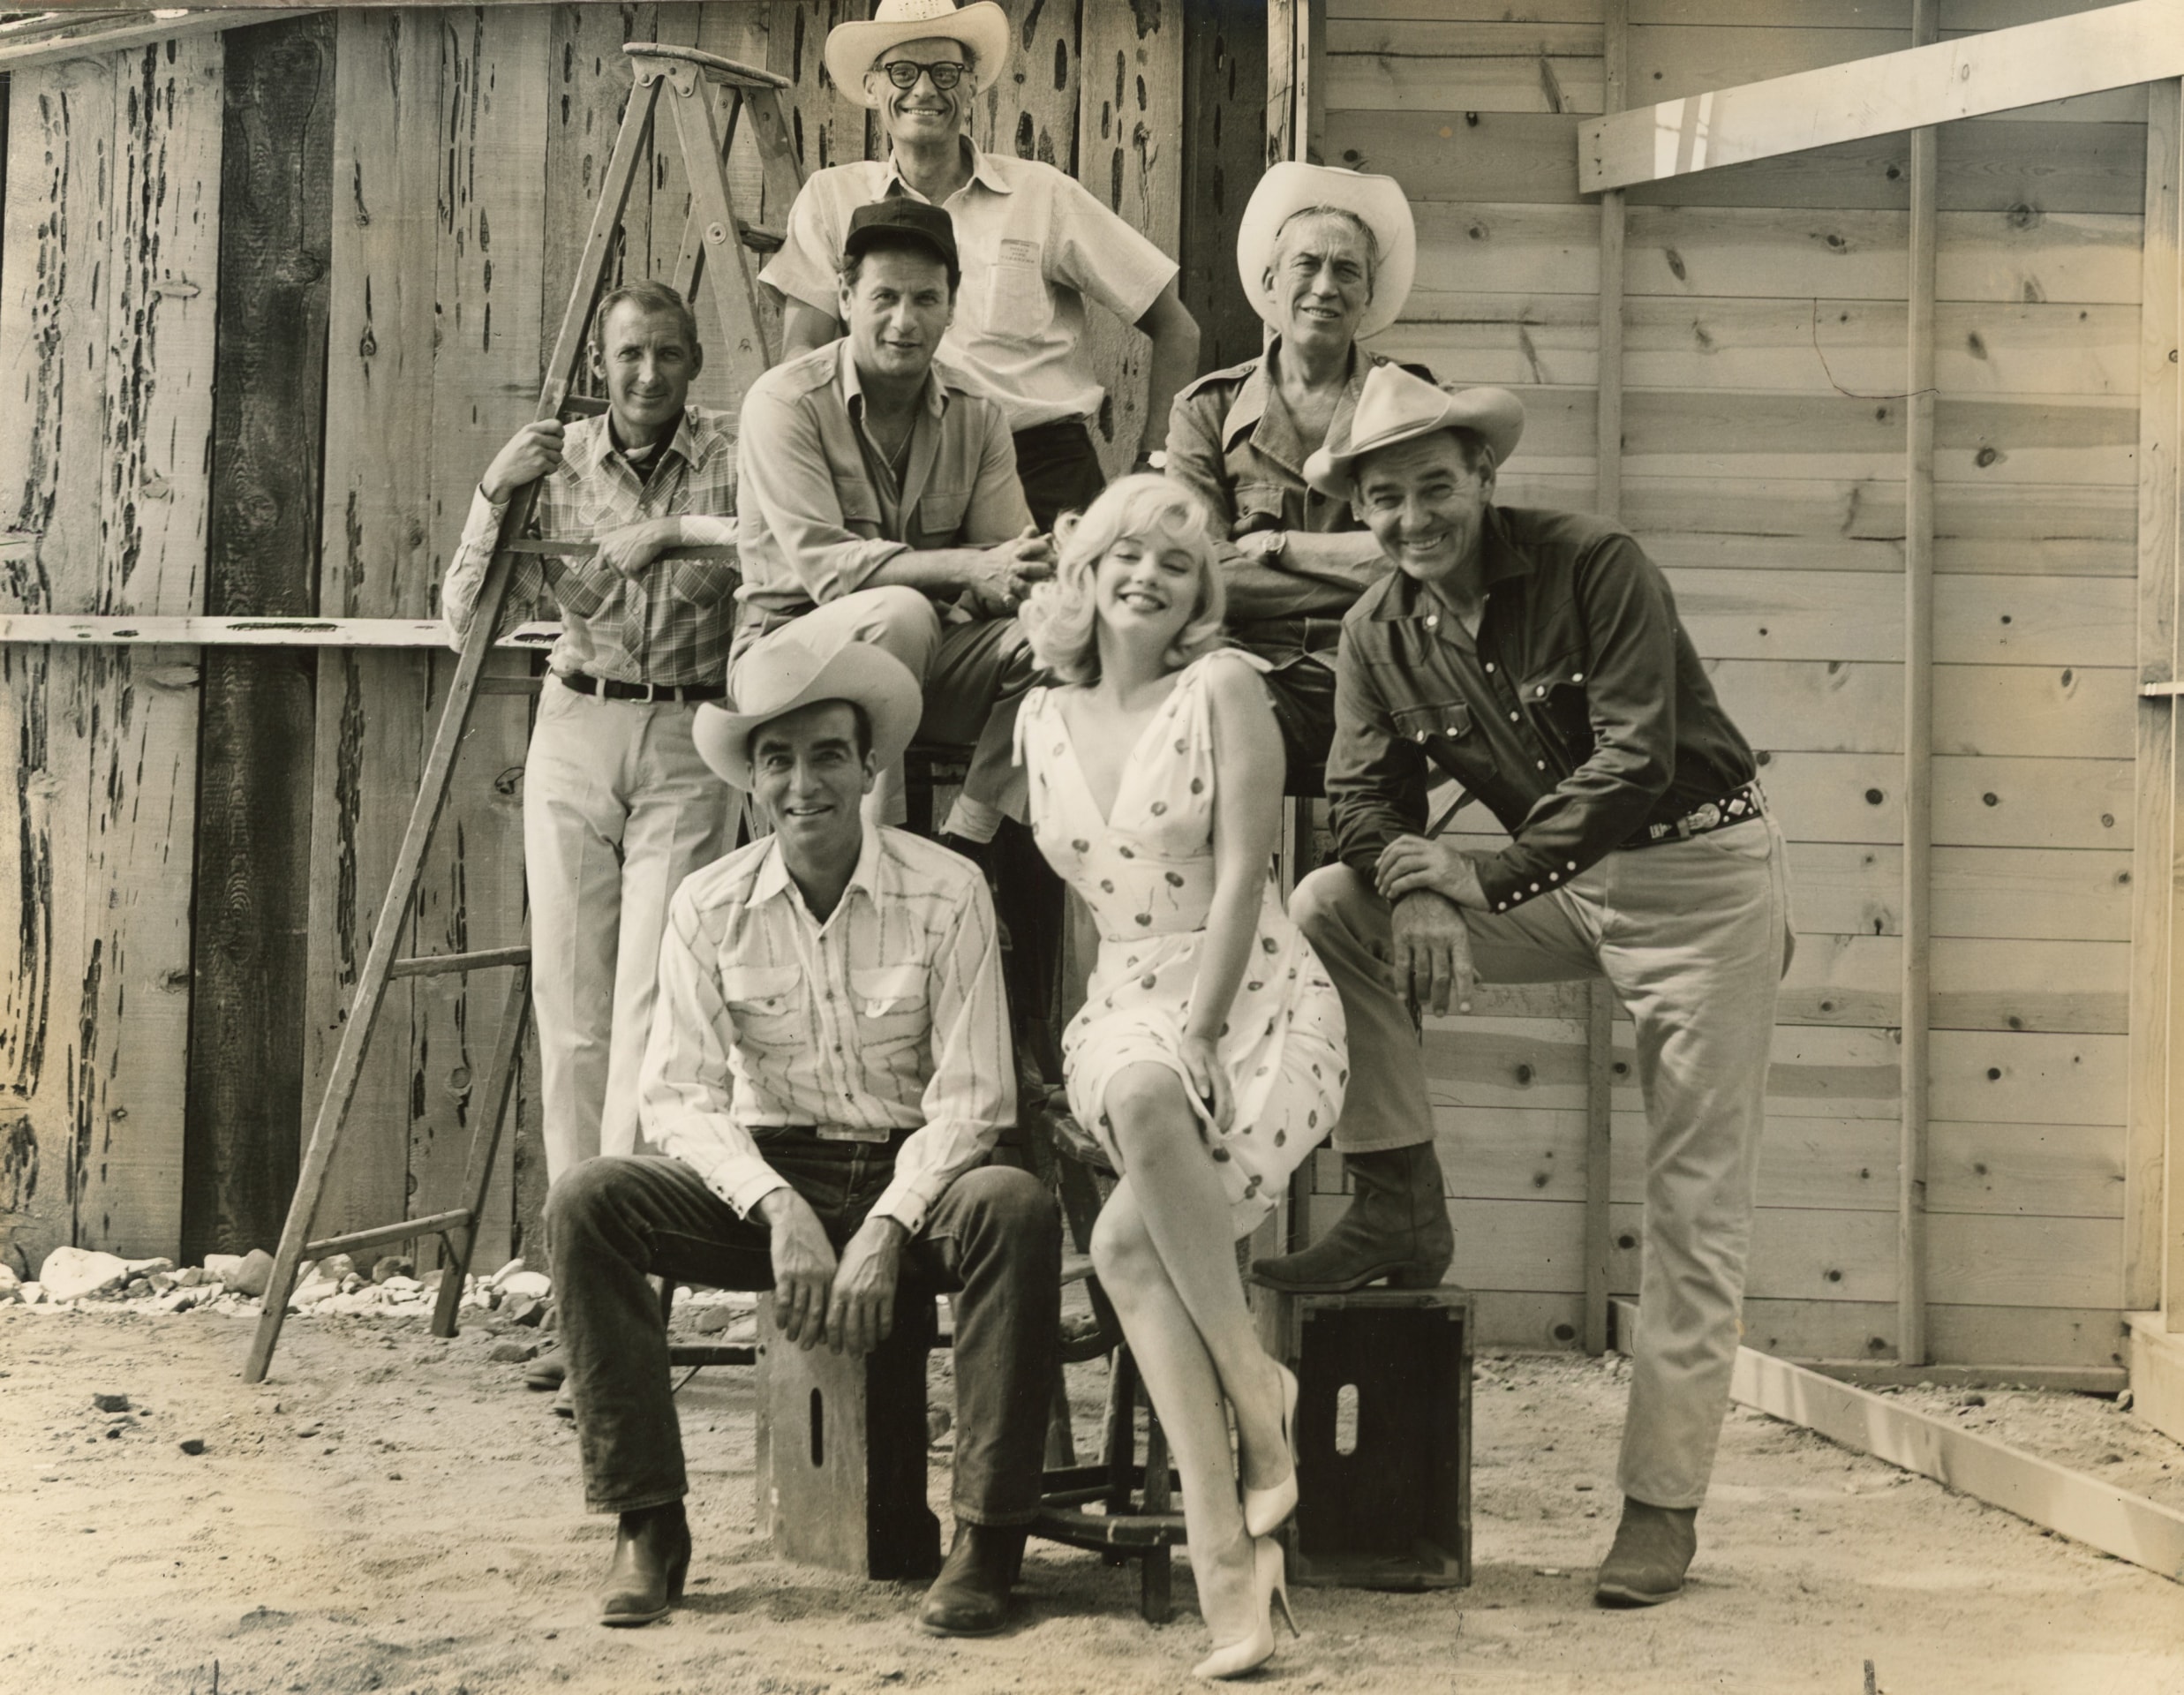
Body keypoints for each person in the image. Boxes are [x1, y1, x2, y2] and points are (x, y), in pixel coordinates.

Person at [1282, 364, 1795, 1607]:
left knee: (1690, 1206)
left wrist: (1480, 879)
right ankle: (1400, 1197)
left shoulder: (1594, 563)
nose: (1414, 519)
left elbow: (1634, 758)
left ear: (1485, 479)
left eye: (1436, 488)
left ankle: (1658, 1511)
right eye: (1386, 499)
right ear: (1360, 511)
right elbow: (1357, 800)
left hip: (1697, 881)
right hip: (1550, 889)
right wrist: (1411, 886)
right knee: (1327, 909)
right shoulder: (1373, 633)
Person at [546, 631, 1062, 1637]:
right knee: (589, 1201)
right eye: (776, 760)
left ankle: (986, 1541)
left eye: (827, 754)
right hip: (771, 1175)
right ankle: (648, 1524)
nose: (802, 783)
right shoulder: (708, 904)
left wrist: (884, 1230)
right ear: (751, 778)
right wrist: (776, 1206)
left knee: (1013, 1205)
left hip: (914, 1180)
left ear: (870, 769)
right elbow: (680, 1098)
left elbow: (970, 1101)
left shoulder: (946, 889)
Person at [1015, 477, 1344, 1678]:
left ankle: (1231, 1592)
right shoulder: (1037, 720)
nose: (1147, 574)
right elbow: (1075, 896)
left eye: (1175, 560)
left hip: (1254, 996)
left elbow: (1250, 874)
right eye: (1124, 555)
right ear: (1086, 576)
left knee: (1121, 1251)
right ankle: (1257, 1388)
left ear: (1200, 591)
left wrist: (1203, 1027)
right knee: (1140, 1095)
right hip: (1124, 1005)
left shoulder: (1224, 690)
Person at [441, 279, 737, 1186]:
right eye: (629, 355)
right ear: (598, 367)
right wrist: (495, 487)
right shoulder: (556, 462)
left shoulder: (730, 453)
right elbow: (462, 617)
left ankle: (629, 1224)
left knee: (654, 994)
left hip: (689, 727)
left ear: (692, 362)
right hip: (576, 718)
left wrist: (678, 532)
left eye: (668, 354)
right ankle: (579, 1227)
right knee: (570, 999)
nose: (648, 374)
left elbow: (786, 546)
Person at [763, 0, 1201, 529]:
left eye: (945, 72)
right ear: (873, 85)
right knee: (907, 608)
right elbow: (802, 351)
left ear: (971, 87)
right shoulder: (832, 198)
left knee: (1064, 609)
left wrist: (1155, 463)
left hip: (1038, 467)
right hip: (890, 469)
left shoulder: (1041, 194)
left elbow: (1177, 327)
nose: (924, 89)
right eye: (902, 71)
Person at [735, 198, 1052, 853]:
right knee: (903, 613)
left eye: (926, 300)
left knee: (1063, 630)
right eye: (884, 297)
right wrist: (967, 569)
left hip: (925, 659)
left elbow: (1007, 562)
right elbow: (825, 570)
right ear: (846, 298)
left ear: (951, 306)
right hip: (788, 659)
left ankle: (969, 836)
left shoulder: (978, 414)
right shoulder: (783, 401)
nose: (905, 322)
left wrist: (1050, 569)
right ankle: (879, 850)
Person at [1164, 162, 1425, 787]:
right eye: (1307, 265)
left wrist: (1283, 549)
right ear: (1271, 280)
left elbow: (1424, 559)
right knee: (1188, 741)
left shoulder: (1413, 402)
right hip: (1244, 669)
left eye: (1347, 270)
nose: (1325, 287)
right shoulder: (1205, 409)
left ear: (1368, 294)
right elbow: (1203, 575)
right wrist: (1360, 571)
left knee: (1382, 841)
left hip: (1385, 673)